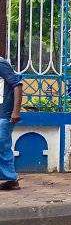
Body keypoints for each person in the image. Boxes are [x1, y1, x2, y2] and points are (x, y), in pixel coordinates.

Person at [0, 55, 23, 190]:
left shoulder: (1, 63)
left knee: (2, 145)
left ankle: (11, 179)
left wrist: (16, 111)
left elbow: (17, 85)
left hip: (5, 114)